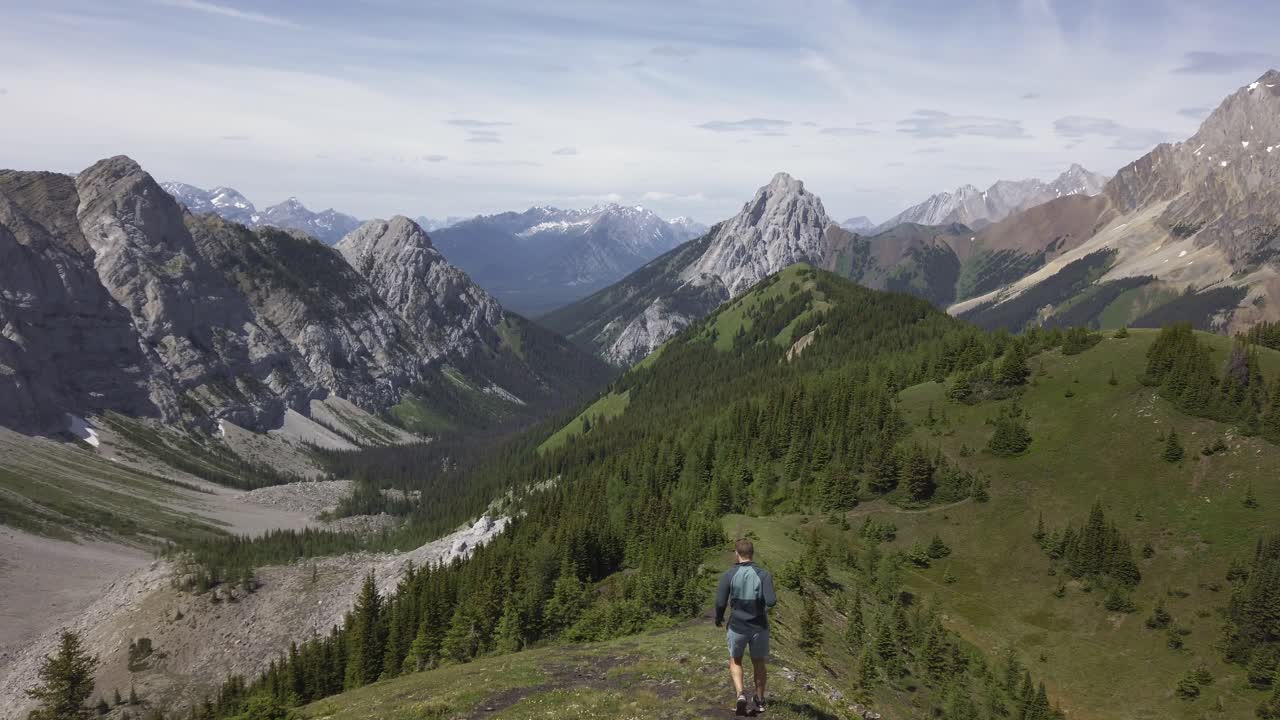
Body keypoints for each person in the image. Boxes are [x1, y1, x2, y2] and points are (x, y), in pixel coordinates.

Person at [715, 538, 777, 716]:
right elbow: (771, 601)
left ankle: (740, 694)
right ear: (752, 553)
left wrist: (719, 619)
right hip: (759, 626)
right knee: (758, 662)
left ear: (737, 554)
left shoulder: (729, 574)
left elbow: (720, 602)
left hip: (737, 626)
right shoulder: (763, 574)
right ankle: (759, 700)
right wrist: (760, 606)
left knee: (736, 659)